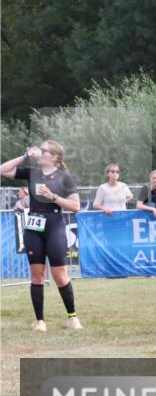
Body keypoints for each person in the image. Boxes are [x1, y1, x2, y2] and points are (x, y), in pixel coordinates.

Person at [1, 141, 82, 332]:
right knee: (37, 275)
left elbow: (75, 206)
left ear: (54, 156)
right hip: (33, 227)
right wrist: (25, 156)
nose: (40, 151)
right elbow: (2, 170)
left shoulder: (65, 177)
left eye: (44, 150)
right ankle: (40, 321)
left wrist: (53, 196)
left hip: (55, 226)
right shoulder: (32, 172)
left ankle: (72, 317)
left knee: (60, 276)